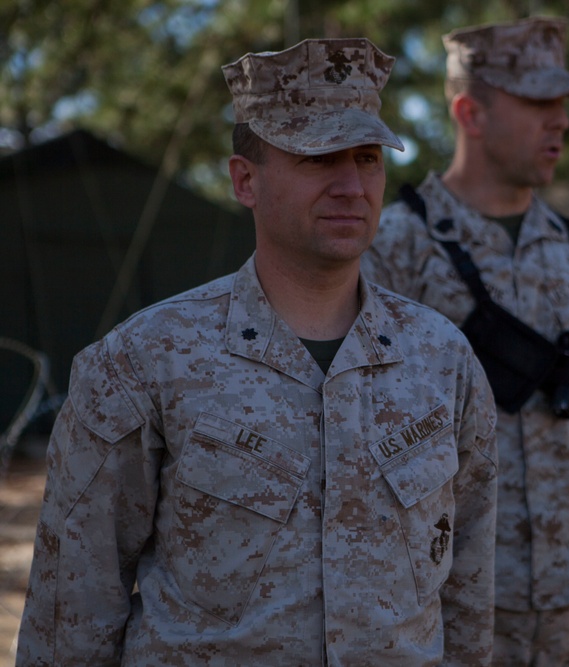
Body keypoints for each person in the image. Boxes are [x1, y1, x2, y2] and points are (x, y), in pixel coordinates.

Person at [16, 37, 499, 665]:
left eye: (367, 157)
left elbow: (469, 590)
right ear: (245, 180)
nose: (352, 184)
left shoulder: (442, 360)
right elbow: (72, 609)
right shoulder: (145, 359)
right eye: (318, 158)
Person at [362, 16, 569, 667]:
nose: (560, 121)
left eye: (564, 105)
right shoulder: (395, 248)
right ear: (470, 111)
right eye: (538, 103)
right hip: (447, 595)